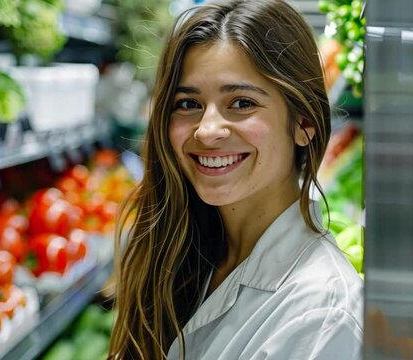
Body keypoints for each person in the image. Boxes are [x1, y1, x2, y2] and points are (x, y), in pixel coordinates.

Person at [108, 0, 363, 359]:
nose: (207, 129)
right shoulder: (181, 253)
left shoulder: (323, 315)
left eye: (242, 103)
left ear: (303, 123)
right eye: (187, 104)